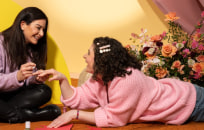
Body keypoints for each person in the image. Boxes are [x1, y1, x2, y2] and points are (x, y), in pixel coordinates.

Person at [34, 36, 204, 128]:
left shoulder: (128, 79)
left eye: (89, 53)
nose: (84, 56)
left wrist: (75, 114)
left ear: (102, 60)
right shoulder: (99, 78)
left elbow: (115, 118)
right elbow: (78, 98)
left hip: (192, 102)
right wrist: (62, 79)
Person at [0, 7, 61, 127]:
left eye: (43, 30)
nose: (41, 34)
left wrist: (36, 79)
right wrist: (17, 76)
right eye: (38, 28)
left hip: (15, 95)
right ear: (23, 24)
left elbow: (27, 82)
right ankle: (32, 115)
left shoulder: (33, 48)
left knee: (44, 91)